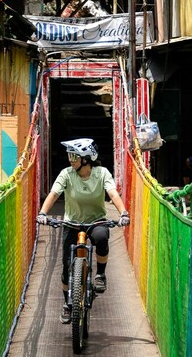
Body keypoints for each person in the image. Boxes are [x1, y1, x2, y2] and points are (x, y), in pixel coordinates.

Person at [37, 138, 129, 323]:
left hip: (96, 221)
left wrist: (123, 213)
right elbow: (54, 194)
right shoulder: (66, 174)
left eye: (74, 156)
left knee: (102, 237)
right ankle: (67, 304)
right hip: (72, 223)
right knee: (65, 266)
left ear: (86, 159)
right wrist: (43, 213)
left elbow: (112, 193)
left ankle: (100, 274)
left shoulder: (102, 173)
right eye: (69, 155)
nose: (70, 160)